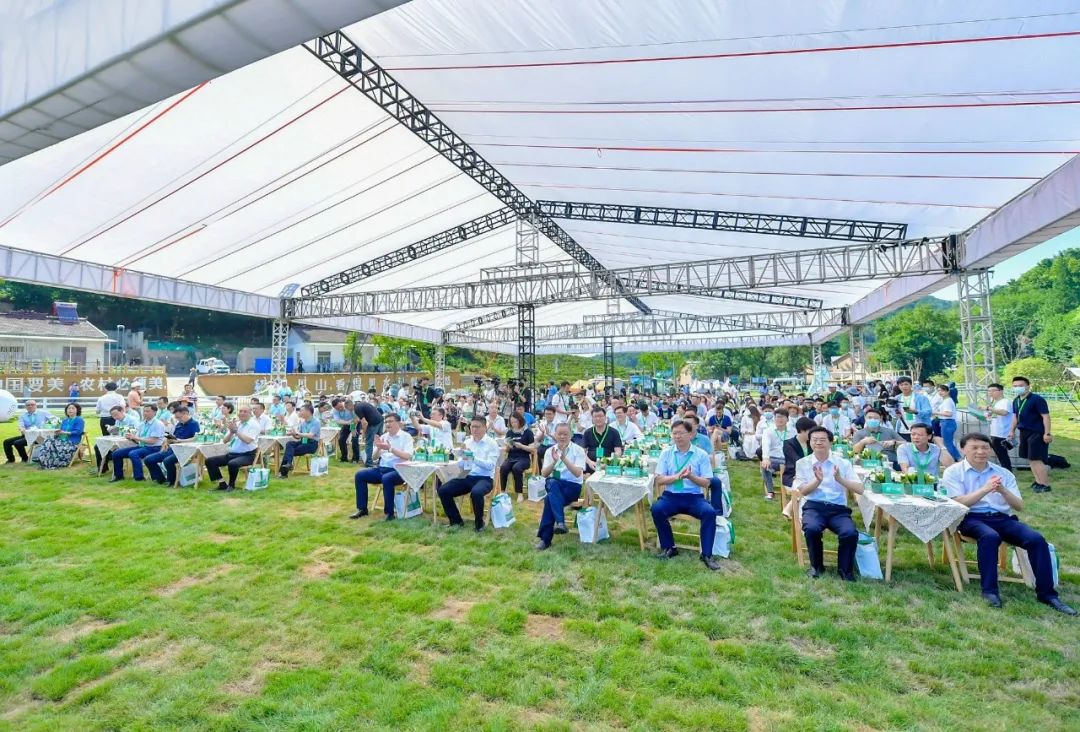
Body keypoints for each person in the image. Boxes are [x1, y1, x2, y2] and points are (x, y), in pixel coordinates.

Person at [941, 433, 1074, 614]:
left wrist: (1003, 490)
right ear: (963, 449)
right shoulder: (953, 472)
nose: (981, 451)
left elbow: (1019, 506)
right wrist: (985, 489)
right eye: (975, 448)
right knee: (990, 537)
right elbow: (958, 502)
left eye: (985, 448)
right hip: (970, 517)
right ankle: (990, 591)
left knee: (1036, 540)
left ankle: (1048, 594)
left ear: (990, 450)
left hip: (1002, 518)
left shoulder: (1003, 473)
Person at [791, 427, 865, 581]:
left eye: (822, 440)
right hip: (814, 506)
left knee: (850, 533)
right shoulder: (803, 463)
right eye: (814, 440)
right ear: (810, 442)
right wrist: (817, 481)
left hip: (838, 509)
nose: (818, 443)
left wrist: (840, 479)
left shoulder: (843, 463)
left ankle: (845, 570)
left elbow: (860, 489)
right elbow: (803, 491)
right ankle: (816, 566)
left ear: (831, 443)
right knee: (812, 529)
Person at [649, 419, 722, 571]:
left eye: (681, 433)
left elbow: (707, 483)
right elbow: (659, 480)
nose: (677, 436)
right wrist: (676, 477)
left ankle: (707, 554)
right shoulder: (666, 453)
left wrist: (691, 477)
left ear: (690, 434)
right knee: (657, 509)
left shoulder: (701, 454)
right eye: (674, 433)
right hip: (671, 496)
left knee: (709, 513)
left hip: (694, 497)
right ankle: (669, 547)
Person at [438, 417, 500, 531]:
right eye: (472, 426)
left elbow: (491, 466)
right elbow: (463, 465)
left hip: (485, 478)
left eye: (477, 427)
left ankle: (479, 524)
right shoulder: (467, 442)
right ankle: (456, 521)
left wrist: (473, 457)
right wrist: (460, 456)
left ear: (485, 428)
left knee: (476, 492)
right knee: (443, 490)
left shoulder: (491, 443)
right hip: (468, 475)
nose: (474, 429)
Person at [535, 423, 586, 551]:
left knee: (549, 498)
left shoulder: (578, 450)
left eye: (565, 434)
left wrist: (563, 458)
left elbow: (578, 473)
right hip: (554, 484)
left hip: (572, 486)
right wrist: (554, 461)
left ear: (571, 435)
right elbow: (544, 473)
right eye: (559, 434)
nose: (562, 437)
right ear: (555, 435)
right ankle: (560, 523)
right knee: (552, 482)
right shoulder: (550, 451)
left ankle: (546, 539)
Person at [351, 413, 412, 519]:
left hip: (399, 470)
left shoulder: (406, 437)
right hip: (382, 469)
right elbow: (374, 458)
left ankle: (389, 513)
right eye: (386, 422)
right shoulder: (384, 436)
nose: (387, 424)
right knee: (360, 475)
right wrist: (379, 448)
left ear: (398, 423)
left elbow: (408, 456)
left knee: (387, 478)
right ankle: (362, 509)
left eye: (390, 421)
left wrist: (390, 449)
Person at [1009, 376, 1053, 493]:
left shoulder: (1037, 399)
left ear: (1028, 386)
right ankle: (1038, 481)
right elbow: (1015, 416)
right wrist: (1011, 430)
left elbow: (1046, 416)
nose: (1017, 388)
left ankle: (1045, 484)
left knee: (1037, 459)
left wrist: (1047, 433)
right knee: (1030, 459)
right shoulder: (1016, 400)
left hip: (1037, 432)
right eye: (1015, 386)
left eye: (1021, 386)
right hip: (1024, 432)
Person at [204, 404, 260, 491]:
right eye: (240, 411)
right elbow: (225, 441)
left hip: (247, 455)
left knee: (233, 463)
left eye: (245, 411)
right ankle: (222, 484)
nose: (242, 413)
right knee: (210, 461)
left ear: (250, 413)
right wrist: (231, 432)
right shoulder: (237, 423)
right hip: (232, 454)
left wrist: (236, 431)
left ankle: (231, 485)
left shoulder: (254, 424)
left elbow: (248, 440)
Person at [143, 406, 200, 485]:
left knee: (167, 461)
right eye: (176, 417)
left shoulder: (194, 424)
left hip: (185, 451)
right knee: (148, 459)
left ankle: (171, 481)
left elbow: (196, 438)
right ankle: (159, 479)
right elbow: (173, 436)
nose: (178, 419)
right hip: (173, 448)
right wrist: (167, 440)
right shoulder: (179, 424)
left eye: (179, 417)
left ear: (186, 414)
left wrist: (180, 441)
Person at [110, 404, 166, 482]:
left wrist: (136, 438)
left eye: (147, 411)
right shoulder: (143, 423)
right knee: (116, 453)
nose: (145, 413)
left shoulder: (158, 424)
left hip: (154, 447)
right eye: (144, 411)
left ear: (154, 412)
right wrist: (131, 437)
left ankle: (139, 478)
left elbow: (153, 441)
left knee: (133, 453)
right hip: (143, 446)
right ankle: (118, 476)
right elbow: (137, 439)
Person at [35, 402, 85, 469]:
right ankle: (42, 458)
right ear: (66, 411)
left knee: (49, 442)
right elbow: (60, 430)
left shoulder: (79, 420)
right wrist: (57, 432)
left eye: (73, 408)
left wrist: (64, 432)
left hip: (71, 443)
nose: (70, 410)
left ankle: (43, 459)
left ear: (77, 410)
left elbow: (78, 432)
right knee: (48, 439)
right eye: (69, 408)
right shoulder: (65, 420)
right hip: (61, 441)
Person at [278, 404, 322, 478]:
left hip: (311, 444)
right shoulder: (303, 423)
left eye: (301, 410)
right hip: (303, 442)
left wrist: (298, 433)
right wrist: (293, 434)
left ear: (308, 411)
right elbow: (298, 437)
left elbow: (311, 435)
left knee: (289, 451)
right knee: (289, 444)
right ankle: (288, 464)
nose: (299, 412)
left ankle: (284, 472)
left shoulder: (316, 422)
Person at [500, 412, 535, 502]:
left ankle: (519, 493)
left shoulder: (528, 432)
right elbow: (506, 450)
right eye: (512, 422)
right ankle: (503, 491)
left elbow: (532, 449)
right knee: (503, 467)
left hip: (524, 458)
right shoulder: (509, 432)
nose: (514, 424)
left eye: (515, 422)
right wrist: (508, 446)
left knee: (517, 468)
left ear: (520, 420)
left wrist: (522, 446)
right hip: (511, 457)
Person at [758, 407, 791, 501]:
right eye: (778, 417)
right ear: (774, 418)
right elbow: (765, 445)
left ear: (787, 419)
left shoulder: (792, 431)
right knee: (765, 466)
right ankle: (770, 492)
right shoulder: (768, 431)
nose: (780, 419)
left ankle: (792, 490)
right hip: (773, 458)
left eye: (782, 417)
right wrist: (765, 458)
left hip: (787, 459)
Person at [5, 399, 50, 464]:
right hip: (27, 435)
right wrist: (22, 429)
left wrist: (49, 425)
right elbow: (21, 425)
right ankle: (11, 459)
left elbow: (55, 420)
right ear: (25, 407)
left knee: (17, 443)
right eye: (28, 405)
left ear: (36, 406)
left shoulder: (44, 413)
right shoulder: (23, 416)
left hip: (39, 436)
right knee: (6, 442)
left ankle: (25, 459)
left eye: (32, 405)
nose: (30, 406)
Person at [582, 406, 623, 473]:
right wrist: (589, 462)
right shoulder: (588, 432)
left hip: (608, 464)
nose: (598, 418)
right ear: (592, 419)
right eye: (595, 416)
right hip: (591, 464)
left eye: (600, 416)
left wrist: (609, 462)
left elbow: (618, 451)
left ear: (605, 417)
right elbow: (582, 452)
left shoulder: (614, 432)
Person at [984, 383, 1013, 471]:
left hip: (1002, 433)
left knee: (1002, 455)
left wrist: (989, 408)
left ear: (1001, 391)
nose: (990, 393)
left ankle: (1007, 472)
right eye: (989, 391)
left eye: (993, 391)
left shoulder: (1005, 402)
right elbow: (995, 415)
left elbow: (1004, 412)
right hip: (995, 432)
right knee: (1000, 454)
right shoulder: (996, 403)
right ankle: (1005, 471)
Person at [782, 416, 816, 491]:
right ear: (802, 430)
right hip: (793, 476)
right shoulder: (788, 444)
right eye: (810, 431)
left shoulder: (811, 443)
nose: (813, 434)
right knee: (804, 489)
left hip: (812, 476)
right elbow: (797, 461)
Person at [895, 376, 932, 443]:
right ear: (898, 386)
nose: (904, 387)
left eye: (906, 384)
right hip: (903, 429)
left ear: (911, 385)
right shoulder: (897, 398)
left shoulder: (921, 398)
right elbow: (894, 414)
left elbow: (928, 413)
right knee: (906, 448)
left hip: (919, 430)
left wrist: (916, 412)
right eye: (901, 385)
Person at [352, 396, 384, 467]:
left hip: (372, 423)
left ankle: (368, 462)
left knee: (369, 443)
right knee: (380, 440)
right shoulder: (362, 405)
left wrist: (364, 433)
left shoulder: (356, 409)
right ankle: (381, 460)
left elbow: (364, 423)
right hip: (380, 419)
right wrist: (353, 429)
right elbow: (355, 421)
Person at [933, 384, 962, 462]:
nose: (940, 392)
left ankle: (951, 460)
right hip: (946, 422)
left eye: (942, 390)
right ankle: (958, 458)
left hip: (947, 422)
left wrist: (935, 412)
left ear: (947, 391)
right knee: (949, 443)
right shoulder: (946, 400)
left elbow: (948, 414)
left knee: (947, 444)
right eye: (939, 391)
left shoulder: (947, 401)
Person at [332, 399, 356, 463]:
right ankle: (344, 458)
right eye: (337, 408)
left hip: (355, 424)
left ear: (341, 402)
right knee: (341, 440)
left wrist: (352, 424)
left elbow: (356, 416)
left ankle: (355, 458)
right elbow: (338, 421)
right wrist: (348, 422)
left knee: (355, 439)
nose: (340, 409)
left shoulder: (348, 405)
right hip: (346, 424)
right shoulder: (335, 410)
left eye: (341, 407)